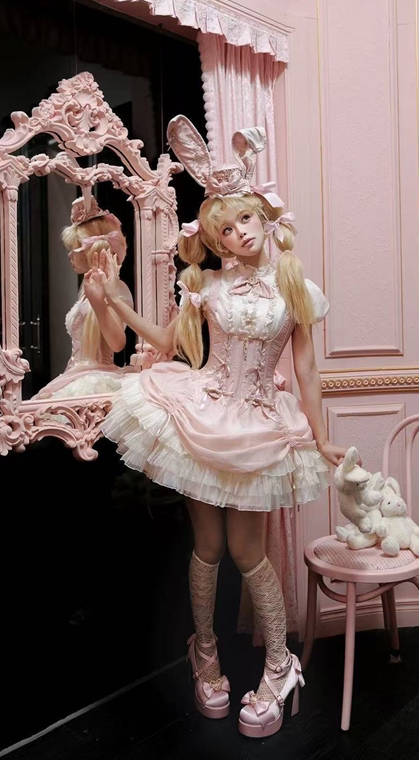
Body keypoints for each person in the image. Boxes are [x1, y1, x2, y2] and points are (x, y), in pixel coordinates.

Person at [86, 115, 350, 738]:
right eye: (225, 229)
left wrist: (321, 435)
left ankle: (280, 666)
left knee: (247, 551)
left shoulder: (294, 285)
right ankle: (203, 653)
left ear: (264, 218)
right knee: (206, 547)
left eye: (245, 220)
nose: (239, 234)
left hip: (259, 424)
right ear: (215, 239)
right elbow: (170, 344)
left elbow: (306, 370)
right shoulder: (204, 285)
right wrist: (115, 302)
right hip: (204, 412)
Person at [32, 194, 134, 401]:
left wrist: (99, 304)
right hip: (78, 375)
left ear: (90, 252)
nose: (69, 256)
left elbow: (117, 343)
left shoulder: (114, 288)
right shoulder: (89, 288)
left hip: (96, 381)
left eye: (73, 249)